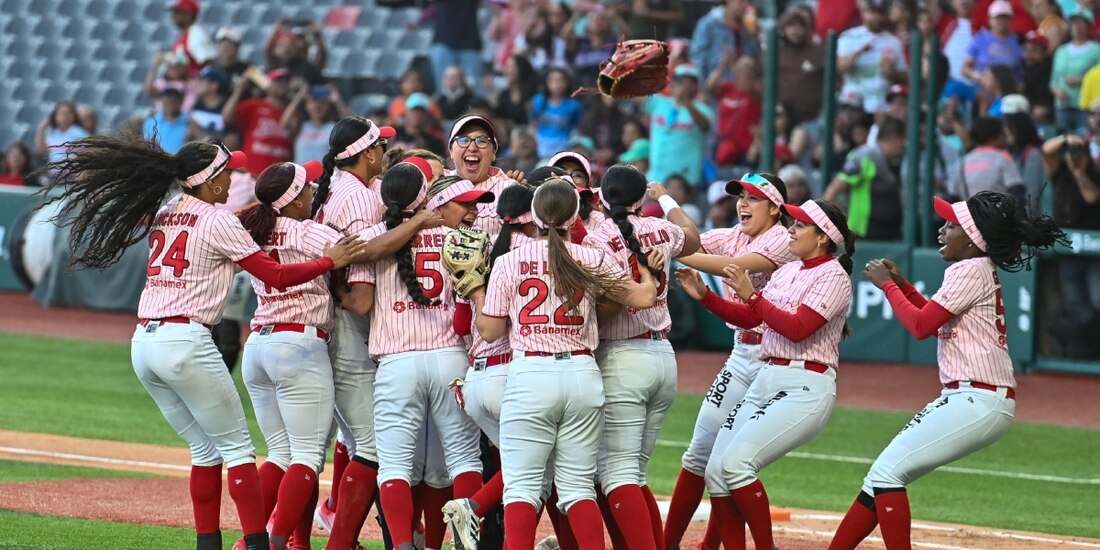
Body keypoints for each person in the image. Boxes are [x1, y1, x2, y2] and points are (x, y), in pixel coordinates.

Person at [38, 135, 366, 550]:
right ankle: (255, 544)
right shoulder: (217, 220)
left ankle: (207, 542)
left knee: (205, 449)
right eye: (227, 172)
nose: (233, 178)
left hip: (144, 342)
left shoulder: (166, 210)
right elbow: (277, 276)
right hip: (186, 339)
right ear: (209, 183)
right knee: (239, 450)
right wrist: (329, 262)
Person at [831, 191, 1066, 549]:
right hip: (971, 397)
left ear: (973, 240)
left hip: (978, 397)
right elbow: (935, 317)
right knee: (878, 478)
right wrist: (906, 286)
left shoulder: (968, 269)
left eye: (951, 225)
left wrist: (889, 287)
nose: (941, 230)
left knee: (886, 475)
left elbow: (921, 326)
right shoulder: (975, 268)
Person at [467, 179, 660, 549]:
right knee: (577, 488)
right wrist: (649, 272)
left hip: (532, 375)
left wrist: (476, 292)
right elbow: (645, 296)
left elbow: (489, 331)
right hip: (582, 375)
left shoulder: (508, 261)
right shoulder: (590, 256)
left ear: (534, 216)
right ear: (575, 218)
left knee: (522, 488)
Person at [676, 198, 856, 550]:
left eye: (801, 225)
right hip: (768, 376)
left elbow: (799, 327)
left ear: (822, 237)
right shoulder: (789, 270)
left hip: (806, 385)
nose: (791, 228)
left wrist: (753, 297)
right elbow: (750, 318)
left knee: (737, 466)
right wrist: (705, 298)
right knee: (716, 471)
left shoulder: (834, 275)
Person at [340, 173, 493, 550]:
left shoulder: (374, 237)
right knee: (463, 459)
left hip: (397, 362)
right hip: (451, 357)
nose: (473, 210)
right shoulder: (460, 238)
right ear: (427, 197)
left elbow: (359, 301)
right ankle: (462, 543)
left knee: (393, 466)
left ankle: (403, 546)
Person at [664, 173, 798, 549]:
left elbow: (730, 266)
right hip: (741, 353)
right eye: (740, 195)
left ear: (775, 207)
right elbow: (685, 238)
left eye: (753, 197)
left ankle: (710, 546)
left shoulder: (783, 239)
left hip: (773, 358)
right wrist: (663, 212)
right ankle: (667, 543)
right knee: (699, 455)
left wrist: (666, 246)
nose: (742, 202)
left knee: (727, 464)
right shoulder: (732, 233)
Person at [585, 164, 700, 550]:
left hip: (622, 356)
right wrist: (663, 196)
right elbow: (693, 237)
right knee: (633, 474)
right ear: (639, 199)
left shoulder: (597, 236)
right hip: (663, 356)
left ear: (602, 196)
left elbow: (604, 310)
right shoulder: (662, 228)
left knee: (616, 474)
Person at [237, 161, 340, 550]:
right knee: (308, 455)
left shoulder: (252, 228)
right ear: (293, 199)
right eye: (308, 188)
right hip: (298, 343)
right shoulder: (309, 231)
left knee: (279, 452)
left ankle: (250, 541)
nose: (313, 191)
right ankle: (275, 543)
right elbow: (357, 251)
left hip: (259, 343)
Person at [441, 183, 537, 548]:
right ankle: (472, 507)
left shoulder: (488, 253)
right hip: (511, 375)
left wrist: (472, 287)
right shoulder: (535, 252)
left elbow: (462, 326)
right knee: (532, 464)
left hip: (476, 379)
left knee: (529, 466)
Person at [824, 115, 905, 241]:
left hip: (889, 234)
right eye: (903, 140)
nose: (904, 146)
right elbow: (833, 190)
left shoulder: (894, 162)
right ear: (894, 138)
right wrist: (840, 223)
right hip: (865, 234)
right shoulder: (865, 156)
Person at [447, 114, 522, 235]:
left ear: (494, 153)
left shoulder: (508, 190)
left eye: (482, 141)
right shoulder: (436, 186)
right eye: (463, 140)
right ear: (450, 151)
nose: (472, 148)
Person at [645, 64, 714, 190]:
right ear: (673, 84)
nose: (685, 87)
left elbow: (705, 126)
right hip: (656, 179)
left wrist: (686, 102)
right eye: (681, 82)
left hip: (685, 183)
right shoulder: (659, 102)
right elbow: (634, 95)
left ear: (696, 87)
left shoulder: (703, 109)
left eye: (690, 83)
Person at [836, 0, 908, 114]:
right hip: (853, 104)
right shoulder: (848, 37)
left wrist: (892, 72)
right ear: (864, 12)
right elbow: (839, 68)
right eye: (872, 13)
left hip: (881, 107)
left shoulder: (894, 42)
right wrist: (858, 53)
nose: (876, 17)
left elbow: (905, 76)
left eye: (880, 13)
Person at [223, 69, 294, 177]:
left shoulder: (293, 114)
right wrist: (239, 90)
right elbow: (227, 119)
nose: (282, 85)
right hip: (249, 176)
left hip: (277, 180)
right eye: (278, 81)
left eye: (285, 82)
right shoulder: (254, 105)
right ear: (268, 84)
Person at [949, 116, 1024, 200]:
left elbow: (953, 195)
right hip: (998, 211)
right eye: (1003, 133)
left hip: (969, 211)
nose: (1005, 137)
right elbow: (1016, 189)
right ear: (995, 136)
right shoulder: (1003, 157)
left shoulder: (963, 161)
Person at [1050, 8, 1100, 132]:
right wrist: (1057, 90)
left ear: (1089, 27)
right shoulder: (1061, 51)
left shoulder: (1096, 50)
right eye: (1074, 23)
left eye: (1081, 23)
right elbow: (1054, 79)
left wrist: (1083, 80)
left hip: (1085, 107)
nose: (1077, 27)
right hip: (1062, 106)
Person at [690, 0, 759, 82]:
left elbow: (756, 65)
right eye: (741, 1)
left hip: (742, 90)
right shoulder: (709, 24)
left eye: (749, 2)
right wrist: (702, 90)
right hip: (716, 88)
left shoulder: (749, 28)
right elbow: (698, 61)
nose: (746, 5)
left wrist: (755, 38)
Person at [284, 85, 351, 165]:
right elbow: (285, 122)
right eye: (314, 102)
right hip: (300, 175)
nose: (318, 106)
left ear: (329, 107)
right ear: (306, 106)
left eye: (322, 103)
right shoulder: (302, 125)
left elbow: (352, 126)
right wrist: (299, 98)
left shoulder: (333, 128)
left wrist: (337, 101)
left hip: (323, 176)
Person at [531, 67, 585, 159]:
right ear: (546, 82)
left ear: (567, 82)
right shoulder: (538, 101)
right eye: (552, 80)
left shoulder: (574, 105)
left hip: (563, 149)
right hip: (540, 148)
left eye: (560, 80)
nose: (556, 84)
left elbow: (578, 129)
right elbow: (532, 123)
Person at [264, 19, 327, 85]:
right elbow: (268, 50)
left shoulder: (308, 67)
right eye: (282, 45)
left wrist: (317, 36)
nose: (285, 49)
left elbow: (322, 55)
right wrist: (277, 30)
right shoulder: (277, 65)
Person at [167, 0, 215, 78]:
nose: (173, 16)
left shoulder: (196, 34)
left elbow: (209, 63)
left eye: (177, 12)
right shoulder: (185, 34)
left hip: (193, 87)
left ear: (188, 14)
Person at [35, 101, 89, 166]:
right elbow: (41, 151)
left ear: (73, 116)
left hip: (71, 172)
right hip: (54, 173)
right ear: (55, 116)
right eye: (61, 113)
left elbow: (88, 151)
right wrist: (41, 128)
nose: (64, 116)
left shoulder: (79, 132)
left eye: (67, 113)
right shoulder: (53, 133)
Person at [394, 93, 447, 157]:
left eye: (422, 112)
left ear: (427, 116)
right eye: (414, 111)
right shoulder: (394, 134)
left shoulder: (435, 142)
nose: (418, 115)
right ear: (406, 113)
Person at [187, 66, 229, 143]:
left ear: (214, 85)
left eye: (202, 80)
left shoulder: (227, 107)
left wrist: (198, 132)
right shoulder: (196, 104)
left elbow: (230, 140)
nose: (197, 83)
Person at [144, 88, 190, 155]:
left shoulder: (189, 123)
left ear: (181, 102)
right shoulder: (150, 122)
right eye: (168, 100)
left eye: (174, 100)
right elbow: (146, 145)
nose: (171, 103)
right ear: (162, 101)